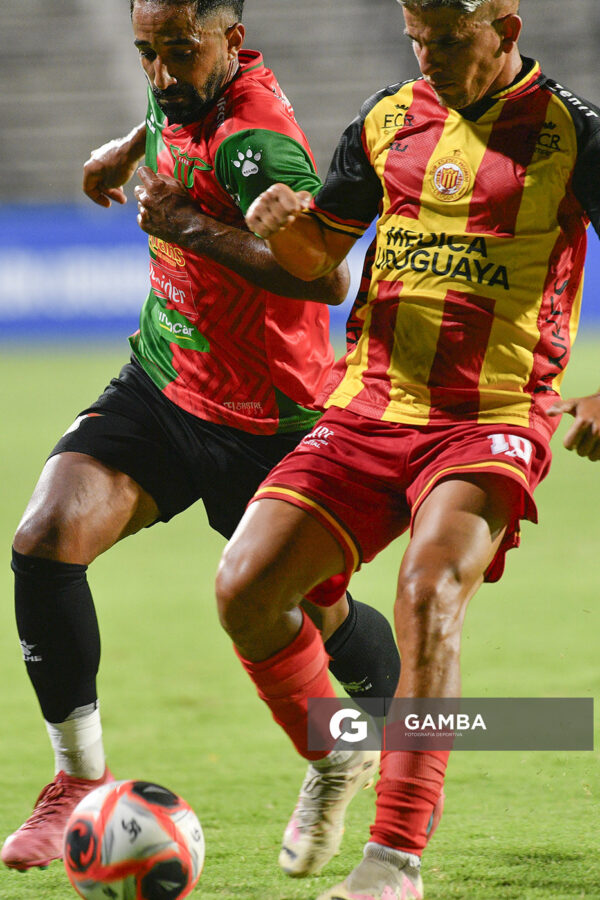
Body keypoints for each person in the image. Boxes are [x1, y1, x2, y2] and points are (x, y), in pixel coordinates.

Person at [2, 0, 402, 875]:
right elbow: (167, 112)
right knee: (43, 540)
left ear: (232, 40)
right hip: (165, 383)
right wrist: (129, 146)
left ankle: (393, 737)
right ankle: (76, 780)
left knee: (312, 613)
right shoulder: (180, 85)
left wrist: (181, 223)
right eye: (144, 51)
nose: (157, 72)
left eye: (177, 52)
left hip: (274, 418)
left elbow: (324, 275)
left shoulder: (256, 142)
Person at [215, 0, 600, 897]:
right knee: (245, 590)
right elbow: (322, 256)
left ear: (505, 30)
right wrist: (283, 223)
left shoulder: (571, 133)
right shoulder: (387, 120)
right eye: (417, 38)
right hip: (368, 407)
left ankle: (393, 862)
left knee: (430, 590)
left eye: (450, 41)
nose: (429, 56)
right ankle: (336, 754)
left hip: (491, 414)